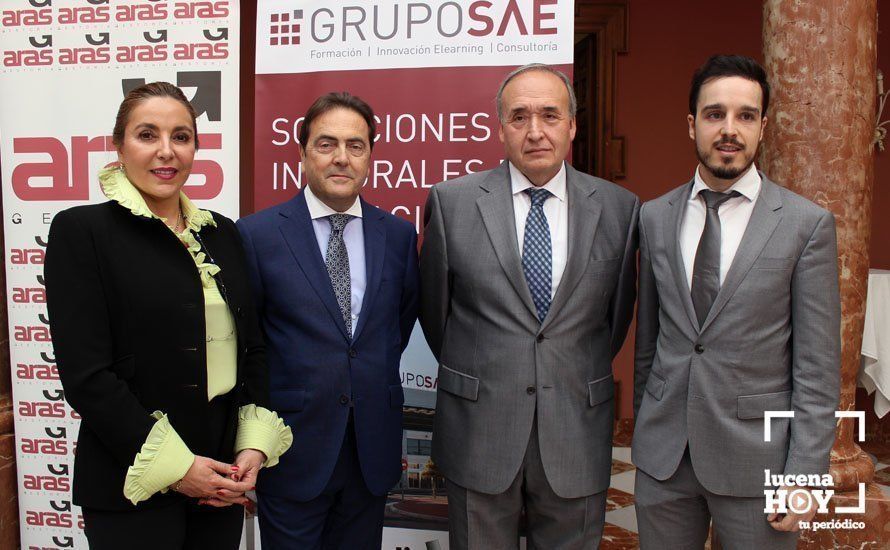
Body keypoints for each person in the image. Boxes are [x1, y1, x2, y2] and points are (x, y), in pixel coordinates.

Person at [44, 82, 292, 550]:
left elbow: (253, 348)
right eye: (147, 135)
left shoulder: (221, 232)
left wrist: (252, 446)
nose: (166, 152)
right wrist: (181, 469)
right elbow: (87, 377)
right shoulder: (82, 232)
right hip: (131, 478)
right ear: (118, 145)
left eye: (181, 136)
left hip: (220, 477)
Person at [419, 63, 640, 548]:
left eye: (549, 115)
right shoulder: (452, 203)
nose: (535, 131)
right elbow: (438, 318)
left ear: (572, 125)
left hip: (576, 432)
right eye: (519, 117)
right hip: (480, 430)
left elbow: (613, 321)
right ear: (500, 128)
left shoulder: (621, 209)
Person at [632, 54, 841, 549]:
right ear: (691, 125)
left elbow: (817, 369)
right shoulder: (654, 217)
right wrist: (647, 427)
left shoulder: (805, 225)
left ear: (763, 127)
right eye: (714, 114)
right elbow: (649, 344)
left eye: (746, 116)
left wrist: (804, 474)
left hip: (757, 464)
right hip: (664, 462)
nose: (730, 129)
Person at [236, 92, 420, 549]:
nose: (342, 158)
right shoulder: (257, 235)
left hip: (370, 451)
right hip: (292, 450)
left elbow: (398, 322)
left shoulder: (397, 235)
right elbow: (248, 342)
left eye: (356, 146)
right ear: (302, 153)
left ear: (370, 156)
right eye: (326, 144)